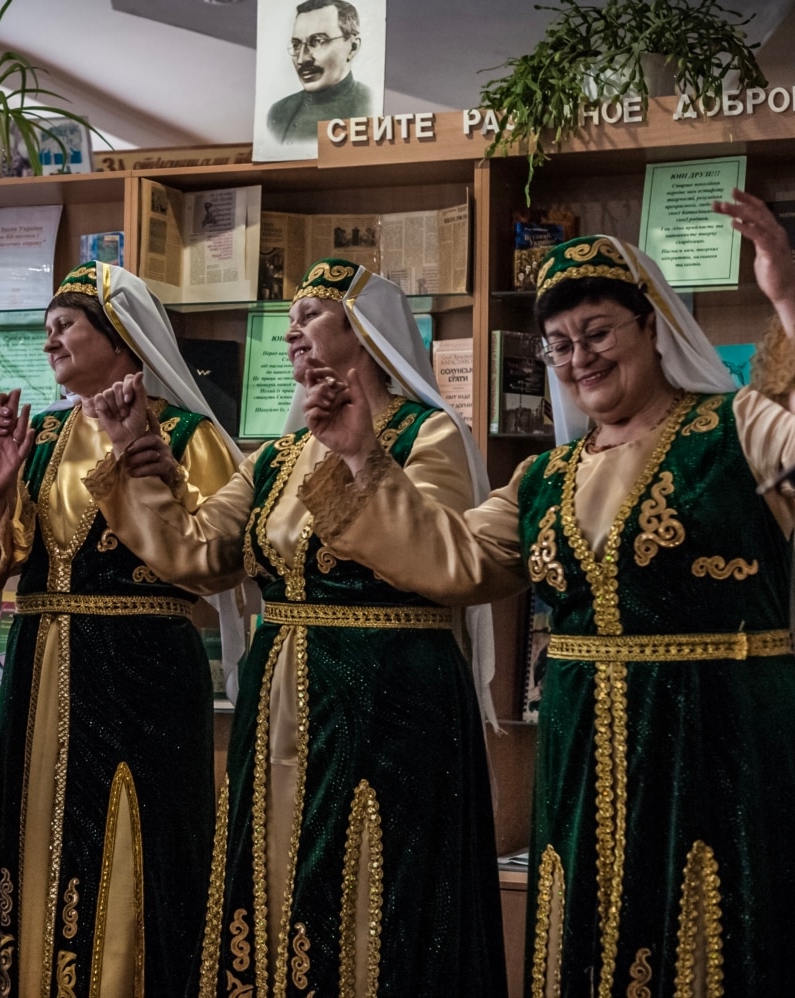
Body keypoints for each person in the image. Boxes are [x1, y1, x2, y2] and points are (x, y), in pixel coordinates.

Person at [303, 192, 795, 993]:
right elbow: (454, 561)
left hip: (724, 740)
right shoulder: (544, 477)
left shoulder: (735, 427)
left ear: (652, 327)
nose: (579, 358)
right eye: (559, 344)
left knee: (720, 939)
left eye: (597, 333)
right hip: (584, 747)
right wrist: (359, 460)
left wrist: (787, 301)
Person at [83, 259, 507, 996]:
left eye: (311, 315)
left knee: (376, 891)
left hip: (390, 700)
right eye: (287, 325)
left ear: (365, 331)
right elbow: (200, 555)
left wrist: (361, 457)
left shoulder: (427, 433)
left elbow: (439, 558)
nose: (292, 335)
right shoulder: (277, 459)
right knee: (277, 878)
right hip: (280, 705)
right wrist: (134, 461)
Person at [0, 261, 244, 997]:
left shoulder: (185, 433)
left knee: (137, 838)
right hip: (38, 668)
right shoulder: (42, 435)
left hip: (141, 670)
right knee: (32, 830)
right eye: (47, 327)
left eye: (66, 325)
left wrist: (154, 477)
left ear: (120, 336)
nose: (49, 340)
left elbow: (216, 562)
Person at [267, 0, 374, 151]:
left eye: (317, 41)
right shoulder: (278, 112)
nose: (301, 59)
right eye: (296, 45)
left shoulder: (369, 106)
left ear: (352, 48)